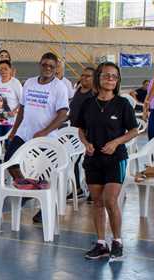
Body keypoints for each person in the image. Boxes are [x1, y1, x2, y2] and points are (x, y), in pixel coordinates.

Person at [75, 62, 139, 261]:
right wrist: (86, 143)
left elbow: (133, 131)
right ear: (99, 78)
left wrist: (115, 142)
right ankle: (101, 243)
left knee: (110, 200)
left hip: (115, 159)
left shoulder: (122, 104)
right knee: (97, 202)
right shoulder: (87, 104)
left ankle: (117, 242)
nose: (110, 79)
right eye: (106, 75)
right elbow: (81, 130)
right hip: (93, 160)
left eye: (114, 76)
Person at [6, 52, 69, 181]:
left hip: (45, 138)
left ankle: (32, 193)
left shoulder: (59, 87)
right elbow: (22, 109)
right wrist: (14, 130)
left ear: (56, 68)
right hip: (24, 134)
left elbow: (63, 115)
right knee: (10, 161)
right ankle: (27, 188)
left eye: (51, 66)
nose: (48, 68)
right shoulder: (29, 82)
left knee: (37, 170)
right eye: (44, 65)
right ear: (39, 65)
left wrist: (44, 132)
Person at [68, 66, 96, 198]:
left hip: (88, 133)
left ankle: (92, 190)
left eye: (87, 76)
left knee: (87, 163)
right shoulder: (78, 90)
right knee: (74, 160)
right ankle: (78, 189)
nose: (83, 78)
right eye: (82, 75)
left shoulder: (94, 94)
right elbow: (73, 110)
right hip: (74, 132)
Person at [0, 60, 22, 139]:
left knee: (9, 144)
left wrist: (14, 111)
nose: (3, 71)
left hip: (11, 122)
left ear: (10, 69)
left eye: (5, 69)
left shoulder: (15, 83)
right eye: (0, 69)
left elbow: (22, 101)